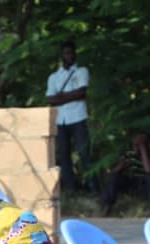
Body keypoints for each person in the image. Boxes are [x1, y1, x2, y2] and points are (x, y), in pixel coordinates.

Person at [46, 40, 93, 193]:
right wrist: (72, 96)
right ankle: (71, 189)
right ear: (62, 55)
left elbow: (82, 92)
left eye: (72, 53)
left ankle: (93, 187)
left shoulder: (81, 71)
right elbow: (50, 99)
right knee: (64, 155)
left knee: (84, 152)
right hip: (61, 120)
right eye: (67, 53)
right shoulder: (54, 77)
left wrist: (62, 97)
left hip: (78, 117)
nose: (70, 56)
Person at [100, 132, 150, 215]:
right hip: (129, 180)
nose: (138, 139)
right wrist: (122, 165)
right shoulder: (127, 152)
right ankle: (107, 206)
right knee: (114, 177)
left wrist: (142, 148)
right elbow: (115, 171)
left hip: (142, 182)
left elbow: (148, 170)